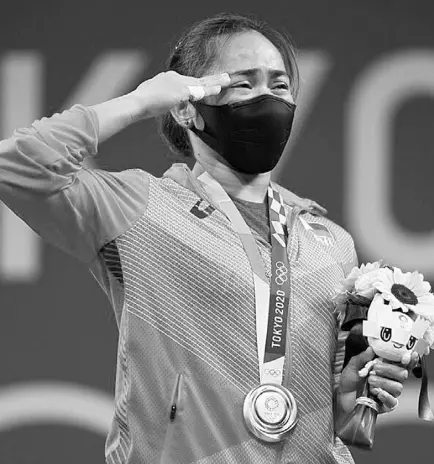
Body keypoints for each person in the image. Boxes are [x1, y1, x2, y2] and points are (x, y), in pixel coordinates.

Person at [0, 12, 416, 464]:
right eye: (243, 84)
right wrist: (140, 102)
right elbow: (17, 167)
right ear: (187, 105)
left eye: (279, 85)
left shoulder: (331, 242)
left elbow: (314, 411)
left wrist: (344, 402)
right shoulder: (138, 209)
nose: (267, 98)